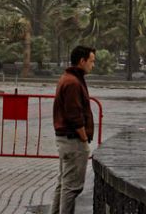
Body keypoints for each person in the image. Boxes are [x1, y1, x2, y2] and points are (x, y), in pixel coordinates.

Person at [51, 46, 96, 214]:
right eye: (91, 61)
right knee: (72, 188)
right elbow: (74, 114)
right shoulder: (72, 82)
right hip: (72, 140)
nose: (93, 65)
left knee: (64, 184)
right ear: (82, 61)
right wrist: (84, 138)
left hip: (67, 139)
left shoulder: (70, 78)